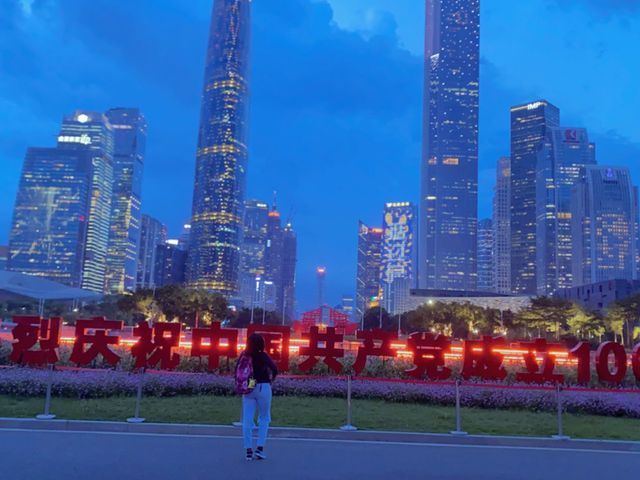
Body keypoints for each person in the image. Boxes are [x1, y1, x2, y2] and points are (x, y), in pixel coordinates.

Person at [241, 333, 278, 461]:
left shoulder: (245, 355)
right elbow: (274, 368)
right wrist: (271, 379)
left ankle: (248, 450)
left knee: (247, 419)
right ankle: (260, 448)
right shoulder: (263, 356)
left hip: (249, 387)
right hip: (263, 386)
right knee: (264, 417)